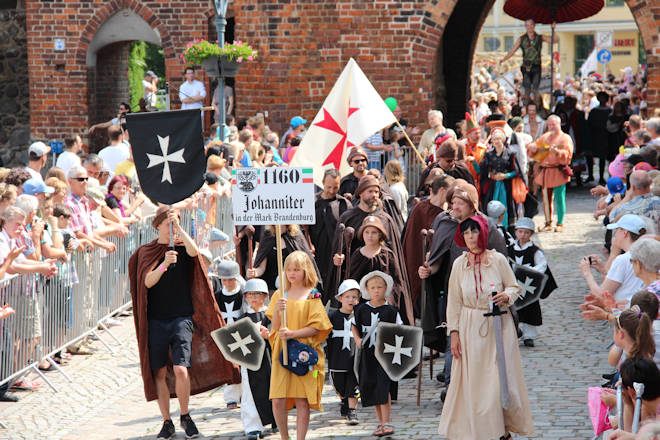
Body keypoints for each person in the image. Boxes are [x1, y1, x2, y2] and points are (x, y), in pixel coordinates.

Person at [128, 206, 239, 440]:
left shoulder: (182, 248)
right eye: (167, 223)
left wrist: (179, 227)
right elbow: (147, 282)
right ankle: (166, 421)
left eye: (175, 223)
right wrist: (164, 264)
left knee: (181, 368)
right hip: (156, 319)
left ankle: (185, 415)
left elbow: (195, 252)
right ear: (157, 225)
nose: (171, 227)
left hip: (182, 317)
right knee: (158, 372)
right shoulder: (146, 252)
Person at [438, 215, 533, 439]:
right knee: (476, 382)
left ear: (483, 233)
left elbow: (514, 286)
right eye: (467, 233)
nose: (471, 237)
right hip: (470, 326)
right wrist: (454, 334)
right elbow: (454, 302)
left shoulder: (497, 259)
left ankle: (502, 429)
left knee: (499, 379)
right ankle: (478, 430)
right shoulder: (459, 265)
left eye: (475, 231)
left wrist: (506, 296)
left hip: (499, 326)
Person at [327, 175, 412, 324]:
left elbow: (393, 252)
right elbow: (339, 249)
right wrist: (337, 259)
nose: (373, 195)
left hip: (381, 282)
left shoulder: (385, 219)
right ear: (360, 193)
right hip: (356, 279)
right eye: (369, 191)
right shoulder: (348, 217)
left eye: (376, 191)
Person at [266, 251, 331, 440]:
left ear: (305, 271)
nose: (292, 273)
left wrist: (294, 333)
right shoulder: (280, 294)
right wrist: (278, 310)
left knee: (302, 400)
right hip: (283, 351)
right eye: (288, 270)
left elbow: (317, 328)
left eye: (296, 269)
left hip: (304, 351)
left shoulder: (312, 296)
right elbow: (275, 327)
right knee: (278, 399)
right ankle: (285, 437)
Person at [351, 271, 402, 438]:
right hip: (368, 355)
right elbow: (354, 326)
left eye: (380, 287)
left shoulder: (391, 311)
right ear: (367, 289)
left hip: (384, 356)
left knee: (383, 386)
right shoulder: (361, 310)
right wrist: (358, 339)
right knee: (372, 387)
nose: (376, 290)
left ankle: (386, 421)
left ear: (385, 288)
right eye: (372, 288)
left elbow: (400, 330)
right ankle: (381, 423)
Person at [402, 174, 454, 317]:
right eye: (451, 191)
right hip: (420, 266)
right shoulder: (421, 209)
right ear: (443, 190)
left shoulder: (447, 213)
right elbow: (412, 242)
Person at [333, 215, 408, 311]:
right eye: (366, 232)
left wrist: (390, 302)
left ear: (380, 234)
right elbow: (351, 280)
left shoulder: (387, 255)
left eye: (374, 232)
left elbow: (396, 283)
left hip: (382, 303)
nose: (370, 236)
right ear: (362, 234)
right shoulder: (357, 254)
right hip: (361, 306)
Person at [508, 217, 557, 347]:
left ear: (531, 234)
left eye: (526, 232)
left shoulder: (535, 251)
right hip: (514, 285)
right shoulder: (510, 249)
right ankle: (514, 333)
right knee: (513, 309)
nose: (523, 235)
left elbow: (542, 265)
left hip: (529, 287)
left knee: (530, 309)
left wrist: (529, 271)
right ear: (516, 232)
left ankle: (529, 336)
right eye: (520, 231)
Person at [580, 214, 646, 305]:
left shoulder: (623, 259)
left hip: (627, 313)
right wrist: (604, 271)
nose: (614, 236)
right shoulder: (648, 253)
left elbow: (601, 295)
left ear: (625, 233)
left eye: (617, 231)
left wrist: (587, 273)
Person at [239, 278, 277, 440]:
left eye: (257, 294)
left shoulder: (271, 314)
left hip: (269, 358)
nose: (253, 297)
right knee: (249, 392)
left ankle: (275, 418)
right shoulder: (243, 318)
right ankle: (253, 426)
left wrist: (269, 335)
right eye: (250, 294)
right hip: (250, 360)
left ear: (265, 296)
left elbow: (277, 332)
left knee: (273, 388)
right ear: (246, 297)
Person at [527, 115, 574, 232]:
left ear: (559, 124)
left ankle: (560, 223)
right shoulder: (545, 137)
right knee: (546, 199)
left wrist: (557, 152)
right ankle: (548, 223)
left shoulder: (565, 138)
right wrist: (532, 148)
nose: (551, 127)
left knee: (559, 198)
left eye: (554, 124)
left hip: (557, 171)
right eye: (549, 124)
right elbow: (535, 149)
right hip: (545, 172)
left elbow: (568, 155)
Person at [309, 168, 350, 299]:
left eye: (335, 187)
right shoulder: (311, 203)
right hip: (315, 255)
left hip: (335, 257)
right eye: (328, 187)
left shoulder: (344, 204)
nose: (332, 191)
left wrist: (343, 251)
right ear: (322, 182)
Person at [326, 279, 360, 425]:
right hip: (337, 358)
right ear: (340, 298)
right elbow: (325, 337)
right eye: (347, 297)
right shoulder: (332, 317)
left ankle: (352, 412)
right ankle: (344, 401)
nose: (351, 300)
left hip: (354, 359)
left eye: (354, 297)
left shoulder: (360, 317)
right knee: (339, 384)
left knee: (354, 384)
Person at [249, 225, 319, 293]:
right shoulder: (268, 236)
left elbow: (305, 265)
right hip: (273, 288)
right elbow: (261, 268)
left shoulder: (296, 235)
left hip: (294, 287)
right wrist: (255, 272)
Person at [499, 18, 556, 104]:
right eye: (527, 25)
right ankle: (527, 108)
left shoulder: (540, 37)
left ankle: (536, 108)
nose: (529, 27)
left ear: (534, 26)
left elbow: (554, 40)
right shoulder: (521, 39)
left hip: (536, 66)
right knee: (527, 89)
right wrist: (504, 59)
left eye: (531, 25)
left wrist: (553, 29)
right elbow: (512, 50)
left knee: (536, 89)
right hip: (526, 67)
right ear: (525, 27)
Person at [479, 128, 521, 228]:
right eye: (494, 139)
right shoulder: (488, 155)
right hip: (493, 186)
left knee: (506, 206)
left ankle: (506, 229)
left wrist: (506, 175)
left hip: (507, 186)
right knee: (492, 205)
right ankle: (494, 229)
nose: (496, 141)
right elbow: (483, 171)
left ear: (502, 139)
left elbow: (517, 171)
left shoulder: (510, 154)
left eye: (498, 138)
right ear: (491, 141)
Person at [588, 91, 612, 185]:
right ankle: (591, 174)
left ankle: (602, 176)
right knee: (591, 155)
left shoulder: (610, 111)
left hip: (606, 136)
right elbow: (590, 123)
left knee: (604, 157)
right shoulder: (594, 111)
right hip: (595, 136)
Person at [460, 112, 488, 188]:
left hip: (478, 182)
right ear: (469, 135)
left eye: (479, 133)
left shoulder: (483, 148)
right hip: (463, 179)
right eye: (476, 133)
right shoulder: (461, 145)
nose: (478, 135)